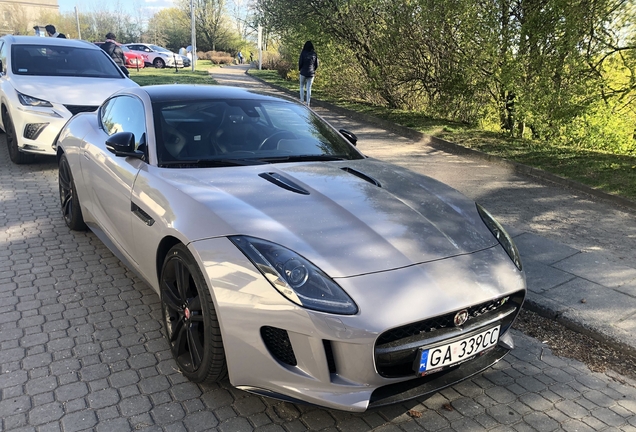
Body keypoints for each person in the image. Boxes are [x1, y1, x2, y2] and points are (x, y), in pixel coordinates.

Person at [298, 41, 318, 107]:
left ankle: (301, 100)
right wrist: (313, 70)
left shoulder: (303, 53)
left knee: (301, 86)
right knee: (309, 88)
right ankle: (308, 103)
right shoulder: (314, 54)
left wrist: (300, 69)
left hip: (303, 72)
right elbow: (316, 64)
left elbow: (300, 62)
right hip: (311, 73)